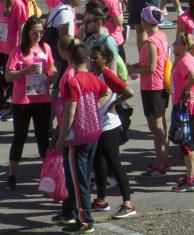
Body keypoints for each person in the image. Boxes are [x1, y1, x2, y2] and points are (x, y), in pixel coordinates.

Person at [53, 38, 110, 234]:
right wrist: (94, 108)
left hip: (76, 136)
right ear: (86, 59)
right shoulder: (93, 78)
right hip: (93, 132)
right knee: (82, 177)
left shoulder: (72, 82)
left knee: (78, 181)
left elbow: (69, 113)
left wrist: (60, 139)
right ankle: (76, 215)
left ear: (71, 60)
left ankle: (85, 220)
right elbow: (107, 92)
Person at [5, 17, 56, 191]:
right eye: (35, 31)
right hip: (22, 100)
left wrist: (51, 78)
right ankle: (12, 174)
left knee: (43, 138)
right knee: (20, 137)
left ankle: (46, 175)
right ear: (27, 31)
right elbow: (8, 76)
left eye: (41, 32)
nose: (38, 35)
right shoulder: (18, 51)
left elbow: (52, 68)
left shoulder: (45, 47)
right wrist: (25, 71)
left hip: (42, 99)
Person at [89, 44, 136, 219]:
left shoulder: (107, 74)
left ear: (106, 59)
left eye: (96, 58)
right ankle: (101, 200)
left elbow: (129, 91)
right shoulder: (93, 73)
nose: (92, 61)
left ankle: (128, 204)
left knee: (114, 163)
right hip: (97, 125)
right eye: (91, 58)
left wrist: (114, 104)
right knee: (98, 163)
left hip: (109, 126)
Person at [128, 6, 170, 177]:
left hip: (152, 87)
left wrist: (133, 69)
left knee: (156, 129)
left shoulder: (151, 42)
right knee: (161, 127)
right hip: (161, 85)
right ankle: (162, 159)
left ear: (145, 21)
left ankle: (160, 164)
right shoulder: (162, 36)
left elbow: (151, 68)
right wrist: (138, 67)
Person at [169, 33, 194, 193]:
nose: (173, 44)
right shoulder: (190, 58)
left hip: (186, 107)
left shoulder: (184, 61)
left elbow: (191, 77)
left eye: (176, 43)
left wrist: (185, 90)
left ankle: (190, 179)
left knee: (186, 145)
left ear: (183, 46)